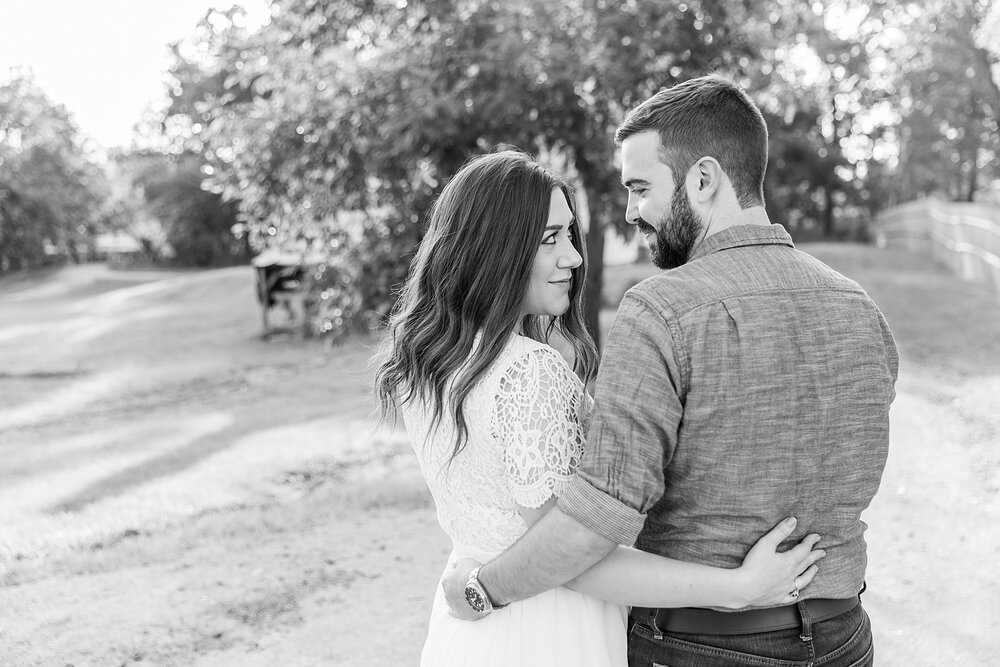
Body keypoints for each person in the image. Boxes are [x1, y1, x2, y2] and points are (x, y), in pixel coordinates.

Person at [441, 76, 899, 667]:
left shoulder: (661, 310)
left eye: (640, 188)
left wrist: (482, 588)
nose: (632, 212)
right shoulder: (860, 308)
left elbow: (590, 526)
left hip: (700, 646)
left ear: (702, 179)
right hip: (843, 637)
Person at [375, 149, 826, 667]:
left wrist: (474, 587)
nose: (572, 257)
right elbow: (573, 559)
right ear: (492, 247)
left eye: (569, 235)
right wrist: (735, 588)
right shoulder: (523, 372)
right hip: (550, 631)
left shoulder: (434, 363)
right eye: (549, 239)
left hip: (474, 632)